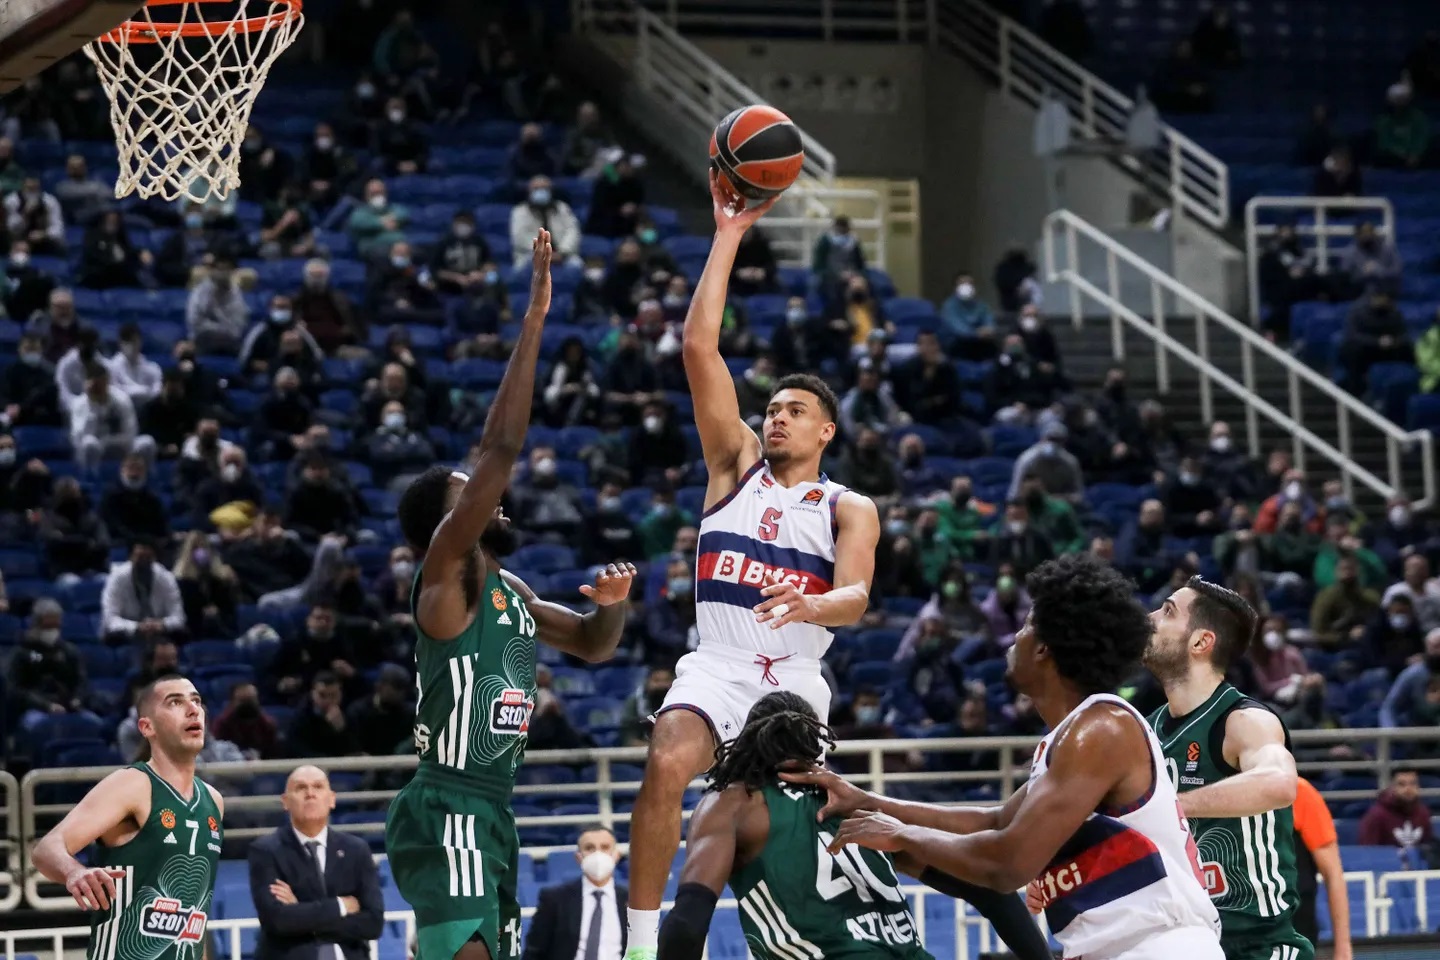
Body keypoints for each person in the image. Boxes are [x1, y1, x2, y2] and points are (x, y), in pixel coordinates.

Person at [623, 173, 882, 960]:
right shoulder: (733, 466)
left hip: (795, 681)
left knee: (786, 831)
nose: (775, 416)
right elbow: (699, 347)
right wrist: (729, 233)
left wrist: (808, 605)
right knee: (667, 757)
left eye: (794, 410)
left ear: (827, 432)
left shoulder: (848, 506)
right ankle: (640, 945)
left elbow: (857, 597)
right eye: (771, 408)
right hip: (720, 663)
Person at [387, 229, 637, 960]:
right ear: (446, 523)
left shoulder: (512, 590)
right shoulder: (445, 572)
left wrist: (612, 605)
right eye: (473, 499)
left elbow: (592, 644)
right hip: (448, 801)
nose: (495, 501)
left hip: (494, 808)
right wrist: (534, 320)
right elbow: (500, 448)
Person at [787, 554, 1223, 960]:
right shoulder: (1075, 735)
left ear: (1044, 649)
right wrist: (864, 800)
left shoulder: (1101, 729)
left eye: (1027, 625)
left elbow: (1005, 863)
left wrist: (902, 835)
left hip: (1161, 945)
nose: (1015, 635)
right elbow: (995, 823)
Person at [658, 690, 1051, 960]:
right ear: (817, 742)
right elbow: (992, 893)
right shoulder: (854, 806)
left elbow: (688, 925)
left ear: (748, 741)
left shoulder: (732, 803)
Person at [1143, 577, 1310, 960]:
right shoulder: (1147, 730)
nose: (1150, 617)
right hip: (1179, 941)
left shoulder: (1243, 720)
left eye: (1167, 611)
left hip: (1255, 944)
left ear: (1201, 642)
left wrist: (1172, 805)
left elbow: (1280, 783)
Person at [31, 676, 225, 958]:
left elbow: (194, 910)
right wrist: (75, 872)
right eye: (175, 702)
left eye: (197, 701)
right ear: (147, 727)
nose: (193, 709)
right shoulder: (132, 785)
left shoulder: (213, 801)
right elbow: (46, 849)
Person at [248, 765, 384, 960]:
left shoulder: (357, 849)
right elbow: (278, 920)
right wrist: (340, 906)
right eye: (300, 788)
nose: (310, 793)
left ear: (332, 799)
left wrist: (301, 911)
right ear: (285, 801)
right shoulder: (265, 850)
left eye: (318, 787)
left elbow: (373, 923)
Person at [522, 826, 627, 960]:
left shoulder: (631, 900)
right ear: (578, 857)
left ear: (616, 855)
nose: (598, 854)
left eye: (605, 847)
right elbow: (534, 951)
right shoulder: (555, 898)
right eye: (589, 848)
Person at [1290, 778, 1352, 960]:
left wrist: (1343, 949)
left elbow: (1333, 875)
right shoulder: (1222, 791)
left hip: (1294, 931)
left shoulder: (1300, 792)